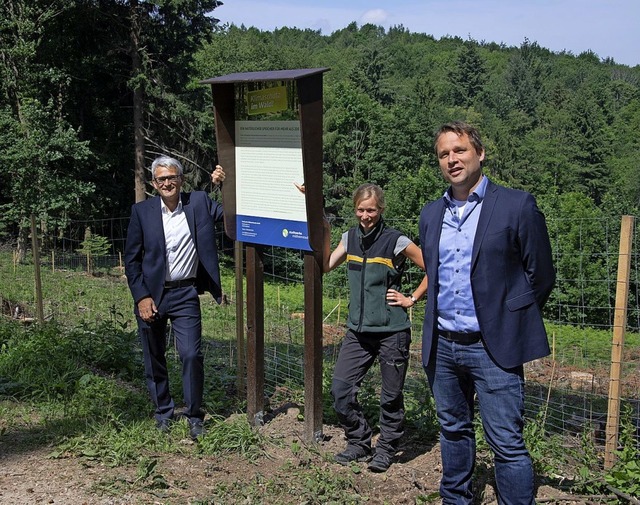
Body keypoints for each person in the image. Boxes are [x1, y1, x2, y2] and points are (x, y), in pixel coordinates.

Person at [418, 121, 555, 503]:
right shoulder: (431, 214)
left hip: (493, 347)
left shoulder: (516, 205)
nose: (452, 159)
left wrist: (510, 321)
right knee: (453, 430)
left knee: (506, 442)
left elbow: (540, 274)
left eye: (459, 150)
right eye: (444, 154)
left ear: (479, 153)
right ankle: (455, 499)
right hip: (443, 345)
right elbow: (435, 273)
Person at [323, 183, 428, 473]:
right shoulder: (350, 238)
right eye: (360, 210)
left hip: (391, 331)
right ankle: (359, 442)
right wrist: (323, 226)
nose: (365, 216)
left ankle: (386, 448)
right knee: (340, 389)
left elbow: (434, 267)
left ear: (380, 209)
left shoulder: (396, 240)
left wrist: (412, 298)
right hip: (358, 331)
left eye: (371, 210)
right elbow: (325, 264)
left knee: (390, 396)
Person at [124, 155, 226, 440]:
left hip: (185, 293)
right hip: (152, 295)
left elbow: (230, 215)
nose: (167, 183)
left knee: (191, 354)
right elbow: (131, 261)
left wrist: (224, 184)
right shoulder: (141, 212)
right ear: (154, 184)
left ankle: (195, 416)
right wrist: (141, 297)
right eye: (161, 179)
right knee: (154, 355)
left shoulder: (199, 204)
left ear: (181, 179)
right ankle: (163, 414)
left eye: (172, 177)